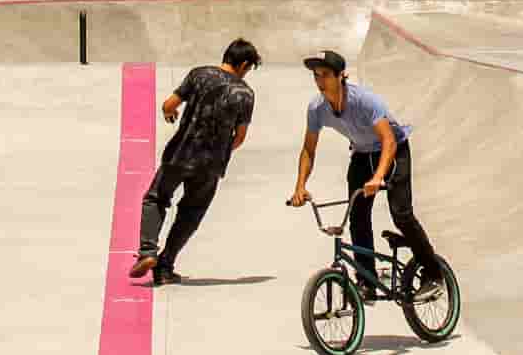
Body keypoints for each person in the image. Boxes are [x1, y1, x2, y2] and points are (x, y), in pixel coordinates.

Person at [288, 49, 444, 290]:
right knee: (357, 217)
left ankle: (434, 274)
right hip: (362, 154)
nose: (320, 81)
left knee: (401, 213)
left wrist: (378, 177)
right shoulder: (317, 108)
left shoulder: (364, 101)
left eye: (326, 75)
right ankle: (366, 280)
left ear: (341, 76)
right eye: (316, 75)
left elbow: (389, 141)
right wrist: (300, 186)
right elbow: (309, 149)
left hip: (394, 150)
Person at [130, 38, 261, 286]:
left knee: (156, 198)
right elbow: (240, 137)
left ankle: (148, 252)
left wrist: (169, 113)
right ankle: (166, 266)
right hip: (211, 166)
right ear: (244, 64)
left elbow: (169, 105)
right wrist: (221, 150)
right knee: (191, 213)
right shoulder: (246, 94)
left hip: (180, 154)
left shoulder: (199, 75)